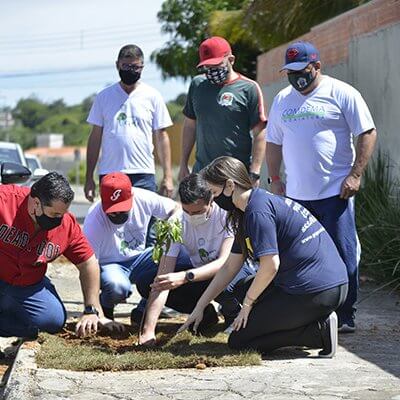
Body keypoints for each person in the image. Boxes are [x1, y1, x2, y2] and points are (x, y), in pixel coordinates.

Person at [180, 157, 349, 358]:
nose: (214, 200)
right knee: (240, 288)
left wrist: (249, 305)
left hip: (316, 291)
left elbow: (270, 265)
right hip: (326, 285)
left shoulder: (257, 212)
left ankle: (317, 332)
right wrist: (199, 307)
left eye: (215, 193)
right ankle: (303, 321)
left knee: (240, 340)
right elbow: (229, 267)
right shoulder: (249, 209)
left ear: (230, 185)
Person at [265, 41, 377, 332]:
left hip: (334, 194)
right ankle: (308, 312)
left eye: (301, 70)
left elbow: (367, 132)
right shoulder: (282, 100)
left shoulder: (341, 93)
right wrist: (275, 179)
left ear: (316, 66)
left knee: (343, 252)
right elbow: (274, 142)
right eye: (290, 71)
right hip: (297, 198)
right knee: (300, 257)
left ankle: (346, 313)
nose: (295, 76)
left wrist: (355, 175)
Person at [136, 173, 257, 345]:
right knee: (147, 281)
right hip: (201, 276)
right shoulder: (175, 222)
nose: (192, 216)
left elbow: (225, 263)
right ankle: (206, 315)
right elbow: (162, 279)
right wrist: (148, 331)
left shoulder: (227, 215)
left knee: (225, 285)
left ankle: (233, 313)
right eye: (187, 211)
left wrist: (185, 276)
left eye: (198, 211)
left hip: (234, 271)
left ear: (211, 200)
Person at [0, 172, 118, 339]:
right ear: (36, 203)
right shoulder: (4, 200)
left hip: (28, 284)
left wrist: (91, 309)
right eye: (54, 214)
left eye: (62, 214)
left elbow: (88, 263)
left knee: (53, 321)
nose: (59, 219)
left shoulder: (66, 224)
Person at [83, 172, 189, 323]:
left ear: (131, 195)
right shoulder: (94, 219)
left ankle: (145, 307)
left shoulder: (143, 197)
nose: (118, 213)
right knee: (117, 287)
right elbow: (89, 264)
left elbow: (176, 209)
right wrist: (92, 308)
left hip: (140, 258)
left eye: (122, 208)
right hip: (111, 264)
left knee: (181, 255)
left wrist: (170, 225)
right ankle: (105, 307)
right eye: (113, 211)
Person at [84, 44, 174, 200]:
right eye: (125, 66)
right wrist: (88, 177)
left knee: (146, 223)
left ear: (142, 67)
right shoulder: (103, 97)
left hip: (143, 174)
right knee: (113, 222)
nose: (130, 70)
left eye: (135, 67)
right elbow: (95, 138)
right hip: (110, 173)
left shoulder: (152, 96)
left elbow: (162, 136)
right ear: (117, 65)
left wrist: (168, 175)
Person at [178, 36, 267, 186]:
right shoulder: (197, 85)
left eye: (216, 65)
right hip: (202, 174)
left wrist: (255, 172)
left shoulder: (249, 88)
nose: (212, 70)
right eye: (208, 66)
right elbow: (190, 126)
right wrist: (183, 164)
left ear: (231, 60)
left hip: (235, 176)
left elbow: (260, 133)